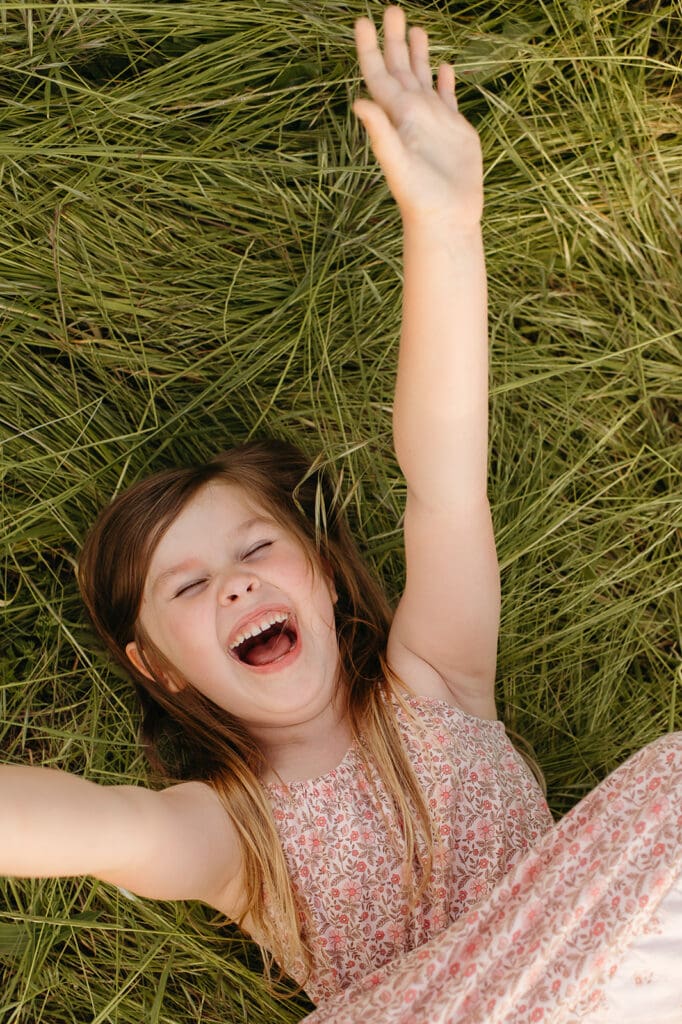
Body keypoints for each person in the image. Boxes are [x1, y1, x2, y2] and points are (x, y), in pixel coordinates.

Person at [2, 7, 681, 1022]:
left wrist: (444, 226)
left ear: (321, 574)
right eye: (187, 587)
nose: (234, 581)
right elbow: (88, 828)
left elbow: (444, 475)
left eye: (256, 547)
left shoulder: (438, 680)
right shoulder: (234, 836)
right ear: (160, 665)